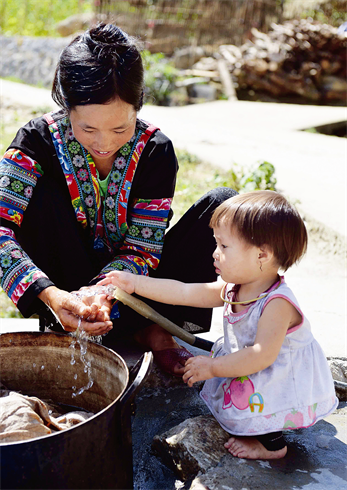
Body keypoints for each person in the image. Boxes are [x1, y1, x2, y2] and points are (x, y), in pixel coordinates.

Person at [0, 23, 236, 376]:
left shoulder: (156, 152)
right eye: (88, 129)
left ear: (138, 106)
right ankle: (97, 326)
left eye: (120, 129)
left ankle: (149, 327)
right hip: (62, 290)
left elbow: (143, 248)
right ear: (67, 107)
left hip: (136, 290)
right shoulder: (36, 143)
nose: (105, 144)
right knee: (38, 196)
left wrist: (103, 293)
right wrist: (53, 296)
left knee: (225, 207)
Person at [98, 190, 338, 460]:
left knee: (262, 406)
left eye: (224, 247)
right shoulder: (234, 287)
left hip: (279, 374)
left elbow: (261, 356)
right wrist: (135, 284)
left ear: (262, 255)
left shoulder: (277, 303)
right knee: (238, 396)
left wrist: (212, 367)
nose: (214, 253)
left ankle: (272, 444)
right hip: (253, 364)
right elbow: (185, 293)